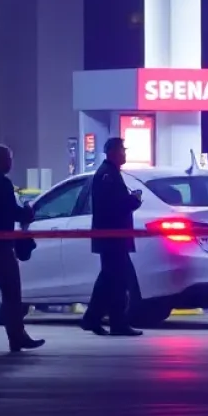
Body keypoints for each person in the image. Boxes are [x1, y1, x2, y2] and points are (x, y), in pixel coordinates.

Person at [0, 144, 43, 353]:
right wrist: (27, 213)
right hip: (1, 247)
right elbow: (10, 212)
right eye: (9, 158)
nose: (11, 163)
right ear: (2, 160)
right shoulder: (2, 184)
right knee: (12, 293)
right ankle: (16, 337)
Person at [81, 137, 144, 337]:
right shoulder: (107, 175)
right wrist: (133, 201)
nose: (124, 154)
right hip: (112, 237)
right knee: (117, 279)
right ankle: (114, 322)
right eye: (122, 150)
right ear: (112, 152)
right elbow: (114, 206)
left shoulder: (110, 173)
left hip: (113, 237)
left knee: (111, 279)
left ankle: (94, 318)